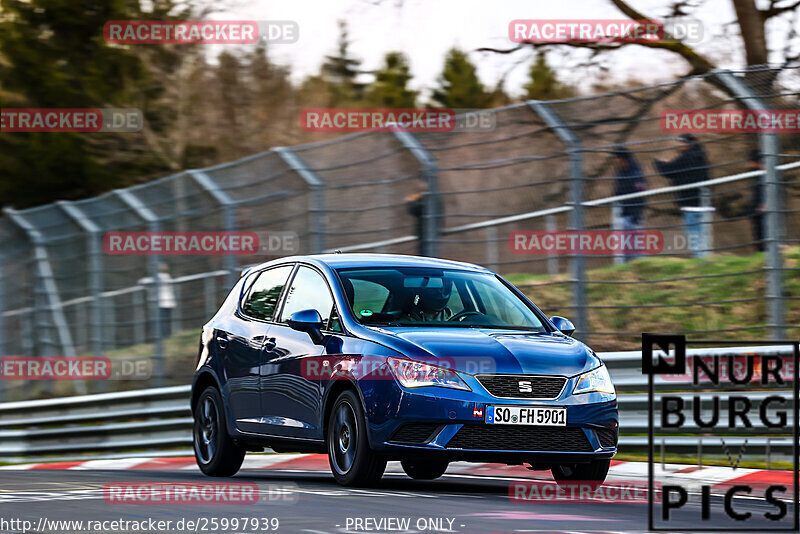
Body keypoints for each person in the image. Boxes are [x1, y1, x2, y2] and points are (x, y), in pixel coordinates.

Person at [654, 134, 710, 258]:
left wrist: (658, 162)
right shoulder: (701, 156)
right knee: (703, 237)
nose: (678, 146)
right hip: (703, 203)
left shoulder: (687, 157)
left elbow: (669, 171)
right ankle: (704, 261)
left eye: (681, 143)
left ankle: (700, 264)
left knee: (695, 239)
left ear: (687, 144)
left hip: (690, 204)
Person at [612, 147, 647, 262]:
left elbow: (641, 196)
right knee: (624, 249)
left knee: (635, 249)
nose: (615, 161)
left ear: (622, 158)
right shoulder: (621, 173)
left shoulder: (636, 173)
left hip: (632, 217)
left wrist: (636, 216)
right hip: (622, 215)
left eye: (616, 158)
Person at [138, 263, 176, 338]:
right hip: (168, 303)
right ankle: (166, 336)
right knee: (165, 321)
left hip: (161, 303)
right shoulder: (167, 276)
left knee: (161, 322)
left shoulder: (161, 277)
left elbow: (142, 282)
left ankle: (164, 337)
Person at [748, 149, 765, 252]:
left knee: (763, 233)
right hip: (756, 210)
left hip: (762, 209)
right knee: (758, 234)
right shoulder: (756, 174)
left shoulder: (765, 174)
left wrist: (763, 203)